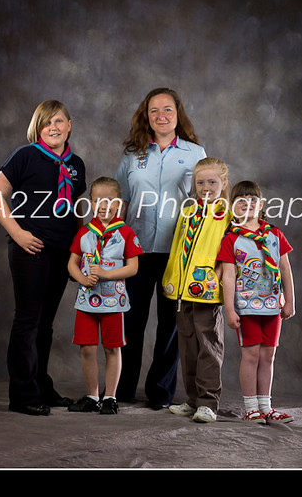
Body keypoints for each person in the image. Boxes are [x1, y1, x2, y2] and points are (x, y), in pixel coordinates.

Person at [0, 100, 86, 416]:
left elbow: (76, 210)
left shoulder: (76, 164)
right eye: (47, 123)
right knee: (28, 320)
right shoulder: (25, 155)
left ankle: (42, 386)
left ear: (69, 124)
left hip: (61, 250)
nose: (53, 128)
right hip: (30, 248)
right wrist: (17, 233)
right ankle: (23, 394)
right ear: (38, 128)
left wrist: (79, 248)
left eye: (59, 121)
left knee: (45, 324)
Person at [114, 87, 206, 409]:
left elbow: (205, 200)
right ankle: (121, 389)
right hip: (136, 251)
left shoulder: (195, 154)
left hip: (177, 252)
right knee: (131, 320)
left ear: (177, 114)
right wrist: (112, 246)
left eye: (168, 110)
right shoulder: (132, 155)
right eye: (154, 111)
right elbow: (121, 202)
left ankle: (160, 392)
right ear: (147, 116)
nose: (161, 116)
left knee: (170, 325)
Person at [218, 181, 296, 424]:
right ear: (233, 207)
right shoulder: (231, 238)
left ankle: (266, 406)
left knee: (268, 356)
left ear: (261, 205)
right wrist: (229, 309)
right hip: (246, 307)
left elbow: (284, 268)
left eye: (252, 199)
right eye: (240, 200)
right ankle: (251, 407)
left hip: (273, 306)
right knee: (251, 356)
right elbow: (228, 276)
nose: (247, 204)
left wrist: (290, 301)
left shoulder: (274, 234)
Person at [162, 158, 233, 422]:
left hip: (207, 292)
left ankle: (208, 403)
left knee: (208, 349)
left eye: (212, 182)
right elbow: (180, 246)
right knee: (188, 348)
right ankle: (192, 400)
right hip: (182, 291)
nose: (206, 187)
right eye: (200, 182)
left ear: (223, 183)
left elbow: (229, 254)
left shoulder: (227, 215)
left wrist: (215, 279)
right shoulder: (189, 210)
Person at [67, 177, 143, 414]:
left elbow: (133, 268)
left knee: (112, 348)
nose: (103, 205)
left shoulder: (125, 233)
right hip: (87, 301)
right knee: (87, 348)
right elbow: (72, 264)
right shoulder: (84, 233)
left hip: (112, 302)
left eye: (109, 200)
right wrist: (81, 278)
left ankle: (110, 396)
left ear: (118, 203)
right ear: (90, 203)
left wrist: (107, 274)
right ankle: (92, 395)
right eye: (98, 200)